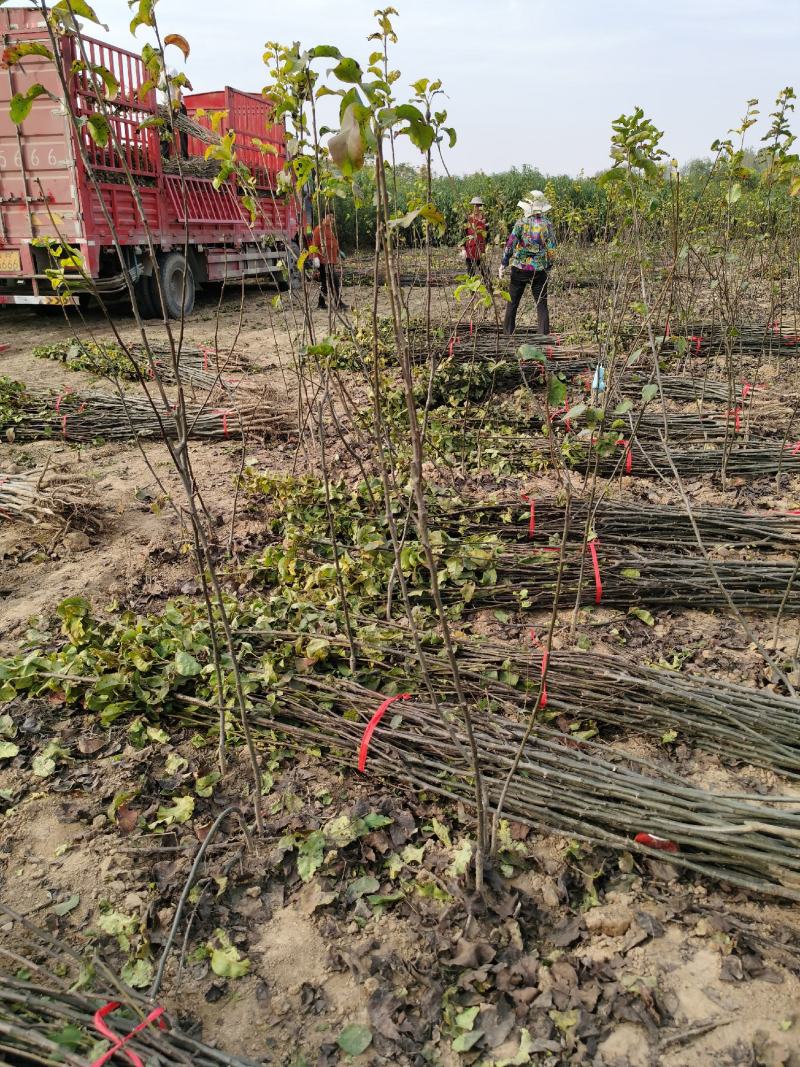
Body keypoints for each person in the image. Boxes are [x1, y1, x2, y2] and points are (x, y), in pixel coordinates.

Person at [498, 190, 556, 336]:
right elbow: (552, 248)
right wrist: (548, 266)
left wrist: (504, 263)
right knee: (541, 304)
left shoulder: (521, 223)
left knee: (512, 303)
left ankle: (508, 335)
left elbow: (510, 244)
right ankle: (543, 337)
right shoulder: (547, 224)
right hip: (540, 269)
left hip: (520, 268)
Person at [311, 211, 346, 310]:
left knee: (325, 284)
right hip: (323, 261)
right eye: (330, 217)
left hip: (331, 261)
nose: (332, 219)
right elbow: (314, 245)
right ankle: (338, 303)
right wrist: (315, 258)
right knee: (334, 282)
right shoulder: (319, 229)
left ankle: (321, 304)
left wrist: (339, 252)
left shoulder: (329, 229)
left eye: (333, 217)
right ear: (323, 218)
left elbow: (334, 243)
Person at [463, 196, 488, 278]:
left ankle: (489, 288)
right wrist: (463, 248)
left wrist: (486, 246)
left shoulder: (484, 219)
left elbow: (487, 234)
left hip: (480, 247)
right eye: (475, 205)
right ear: (472, 207)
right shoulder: (468, 218)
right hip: (470, 247)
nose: (477, 207)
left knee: (484, 271)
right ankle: (471, 290)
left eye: (479, 205)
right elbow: (464, 233)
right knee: (470, 271)